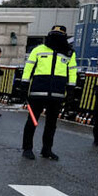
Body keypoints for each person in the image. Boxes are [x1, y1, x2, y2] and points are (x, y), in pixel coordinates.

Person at [19, 25, 77, 161]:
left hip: (57, 93)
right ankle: (27, 148)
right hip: (38, 92)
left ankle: (47, 149)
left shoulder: (69, 53)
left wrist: (71, 91)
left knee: (51, 124)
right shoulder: (38, 50)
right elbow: (28, 68)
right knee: (32, 121)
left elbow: (72, 72)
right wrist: (24, 85)